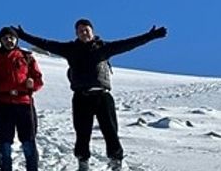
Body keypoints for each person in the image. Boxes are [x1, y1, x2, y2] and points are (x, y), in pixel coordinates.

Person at [14, 20, 167, 170]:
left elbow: (128, 44)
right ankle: (83, 162)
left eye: (86, 30)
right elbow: (45, 44)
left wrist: (150, 36)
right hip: (81, 97)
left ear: (92, 31)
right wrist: (23, 35)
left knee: (110, 130)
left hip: (102, 95)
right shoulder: (70, 49)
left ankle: (115, 161)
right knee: (82, 132)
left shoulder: (103, 48)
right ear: (76, 34)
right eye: (80, 31)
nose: (84, 33)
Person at [0, 28, 43, 171]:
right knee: (4, 142)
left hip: (24, 104)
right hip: (3, 105)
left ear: (16, 40)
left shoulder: (26, 57)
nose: (9, 41)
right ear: (0, 40)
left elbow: (38, 78)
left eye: (11, 38)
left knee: (29, 141)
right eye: (5, 38)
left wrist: (32, 84)